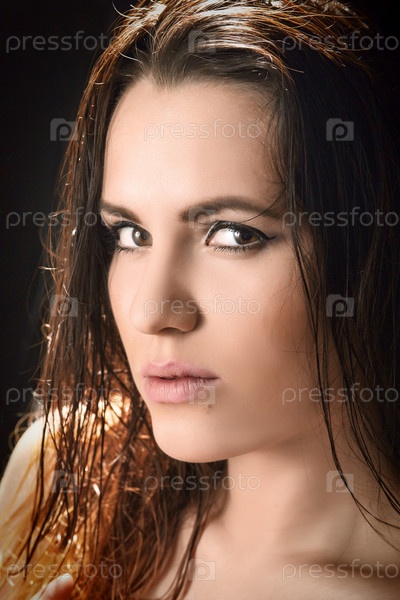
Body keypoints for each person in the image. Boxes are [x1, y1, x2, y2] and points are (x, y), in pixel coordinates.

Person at [1, 0, 400, 598]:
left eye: (233, 235)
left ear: (370, 246)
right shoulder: (58, 477)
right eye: (131, 235)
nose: (152, 311)